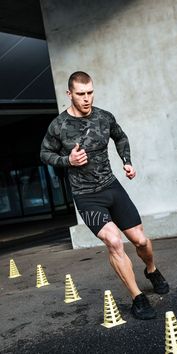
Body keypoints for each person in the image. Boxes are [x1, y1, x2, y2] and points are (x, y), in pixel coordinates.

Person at [40, 71, 169, 320]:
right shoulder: (58, 125)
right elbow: (45, 154)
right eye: (80, 94)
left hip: (112, 187)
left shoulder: (104, 117)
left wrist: (127, 162)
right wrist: (67, 160)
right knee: (114, 241)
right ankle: (137, 298)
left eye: (90, 92)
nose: (86, 98)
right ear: (69, 94)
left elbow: (120, 137)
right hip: (86, 195)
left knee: (141, 241)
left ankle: (151, 270)